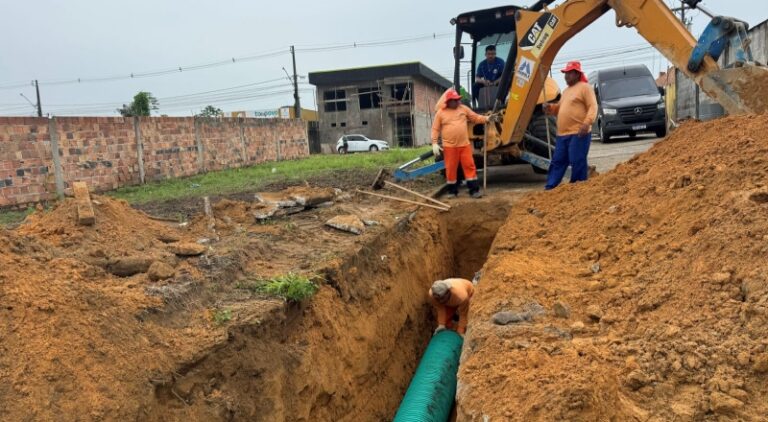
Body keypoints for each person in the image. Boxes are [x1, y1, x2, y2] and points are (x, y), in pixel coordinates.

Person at [543, 60, 597, 190]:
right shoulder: (566, 91)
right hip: (563, 135)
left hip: (579, 132)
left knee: (576, 159)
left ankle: (578, 188)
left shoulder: (585, 88)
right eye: (565, 73)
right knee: (557, 161)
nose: (566, 76)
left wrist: (587, 123)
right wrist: (550, 108)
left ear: (577, 74)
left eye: (569, 73)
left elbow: (593, 106)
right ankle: (550, 187)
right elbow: (559, 110)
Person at [431, 89, 492, 198]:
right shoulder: (441, 113)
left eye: (457, 99)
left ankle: (474, 190)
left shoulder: (463, 109)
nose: (457, 102)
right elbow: (435, 129)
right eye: (454, 100)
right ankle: (452, 192)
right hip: (449, 147)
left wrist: (486, 119)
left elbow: (475, 117)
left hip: (464, 145)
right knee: (450, 168)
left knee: (469, 166)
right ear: (449, 101)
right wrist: (434, 143)